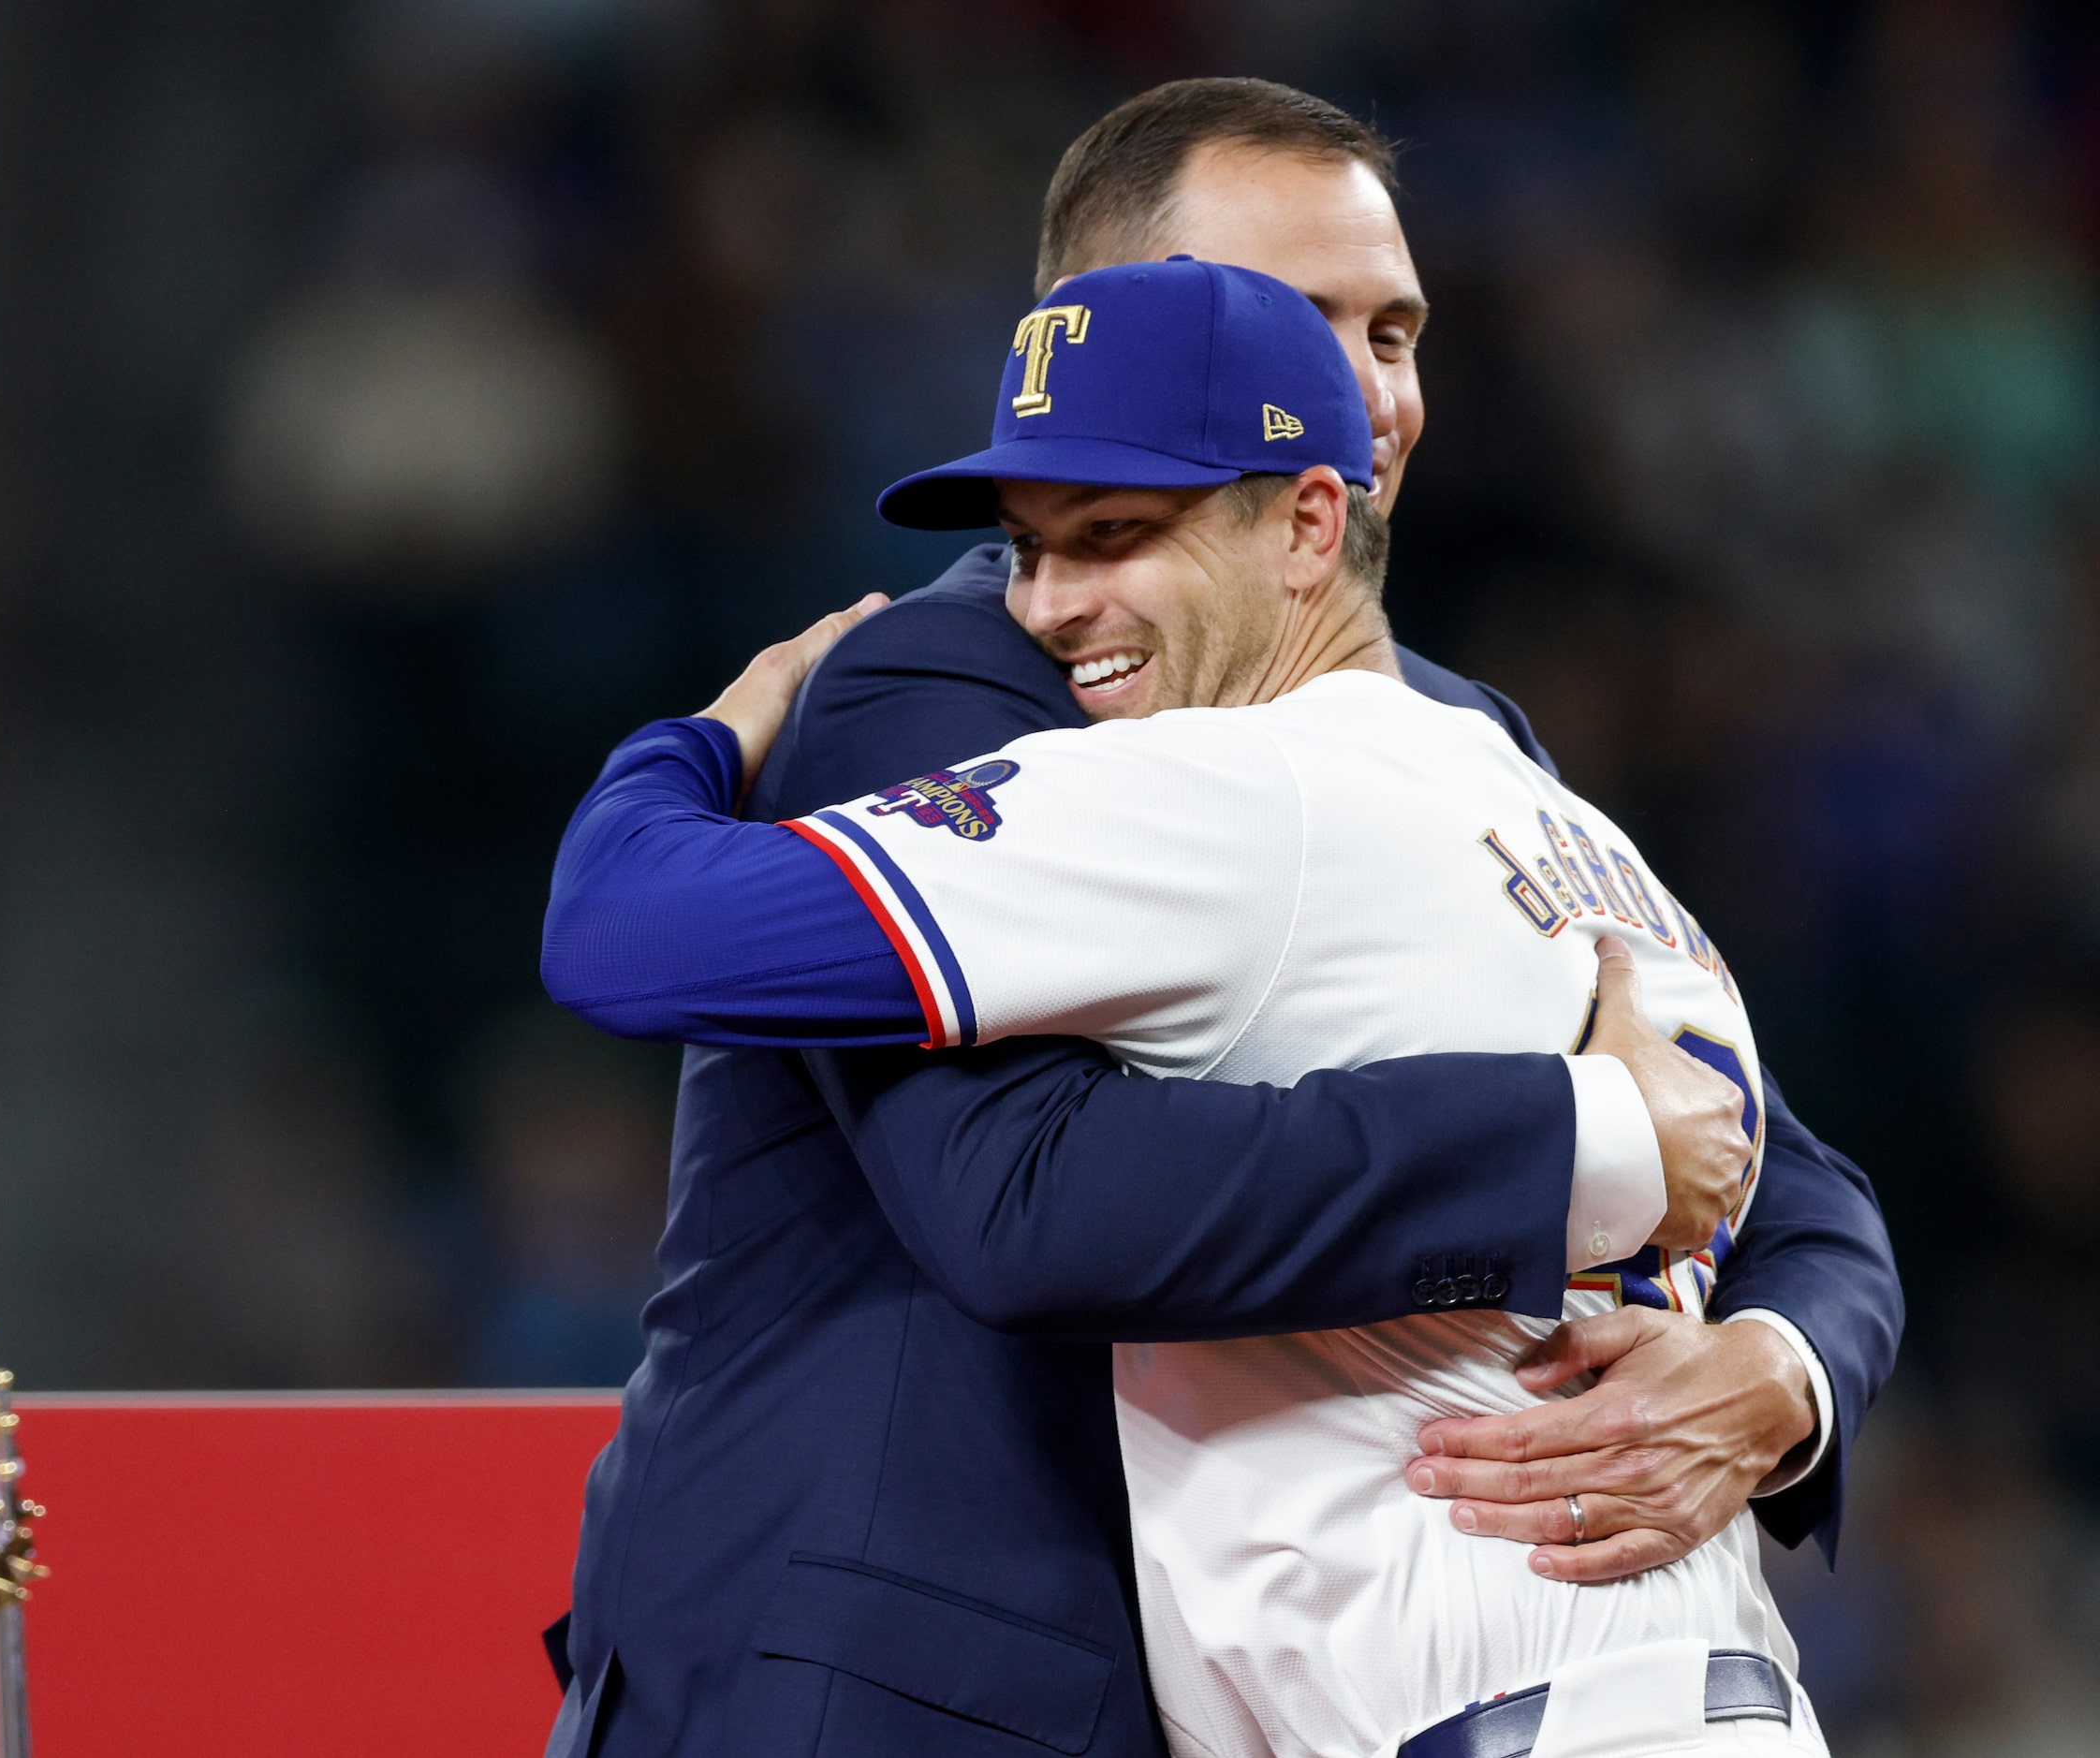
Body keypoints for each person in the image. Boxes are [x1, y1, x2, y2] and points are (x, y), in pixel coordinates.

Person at [536, 81, 1898, 1758]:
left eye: (1393, 330)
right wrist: (1590, 1139)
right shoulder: (951, 679)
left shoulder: (1462, 749)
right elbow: (1018, 1198)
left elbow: (1778, 1164)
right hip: (898, 1676)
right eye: (1301, 324)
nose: (1367, 390)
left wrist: (1783, 1370)